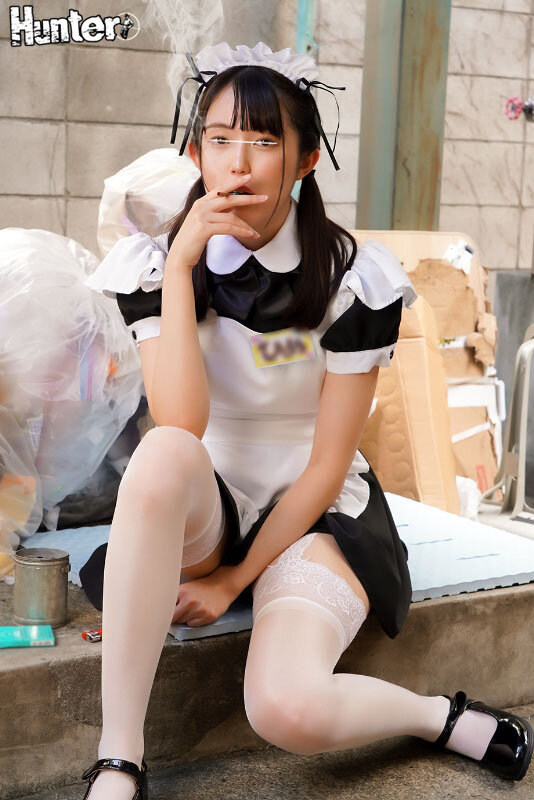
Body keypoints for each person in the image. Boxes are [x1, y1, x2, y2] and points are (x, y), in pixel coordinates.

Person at [80, 42, 533, 799]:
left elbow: (326, 465)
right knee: (161, 452)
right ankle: (119, 757)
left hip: (315, 510)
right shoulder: (155, 266)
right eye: (220, 139)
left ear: (306, 159)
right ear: (195, 153)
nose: (239, 163)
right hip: (208, 503)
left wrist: (235, 581)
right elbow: (182, 421)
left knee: (285, 707)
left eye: (264, 141)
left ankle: (437, 717)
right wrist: (183, 268)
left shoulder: (353, 280)